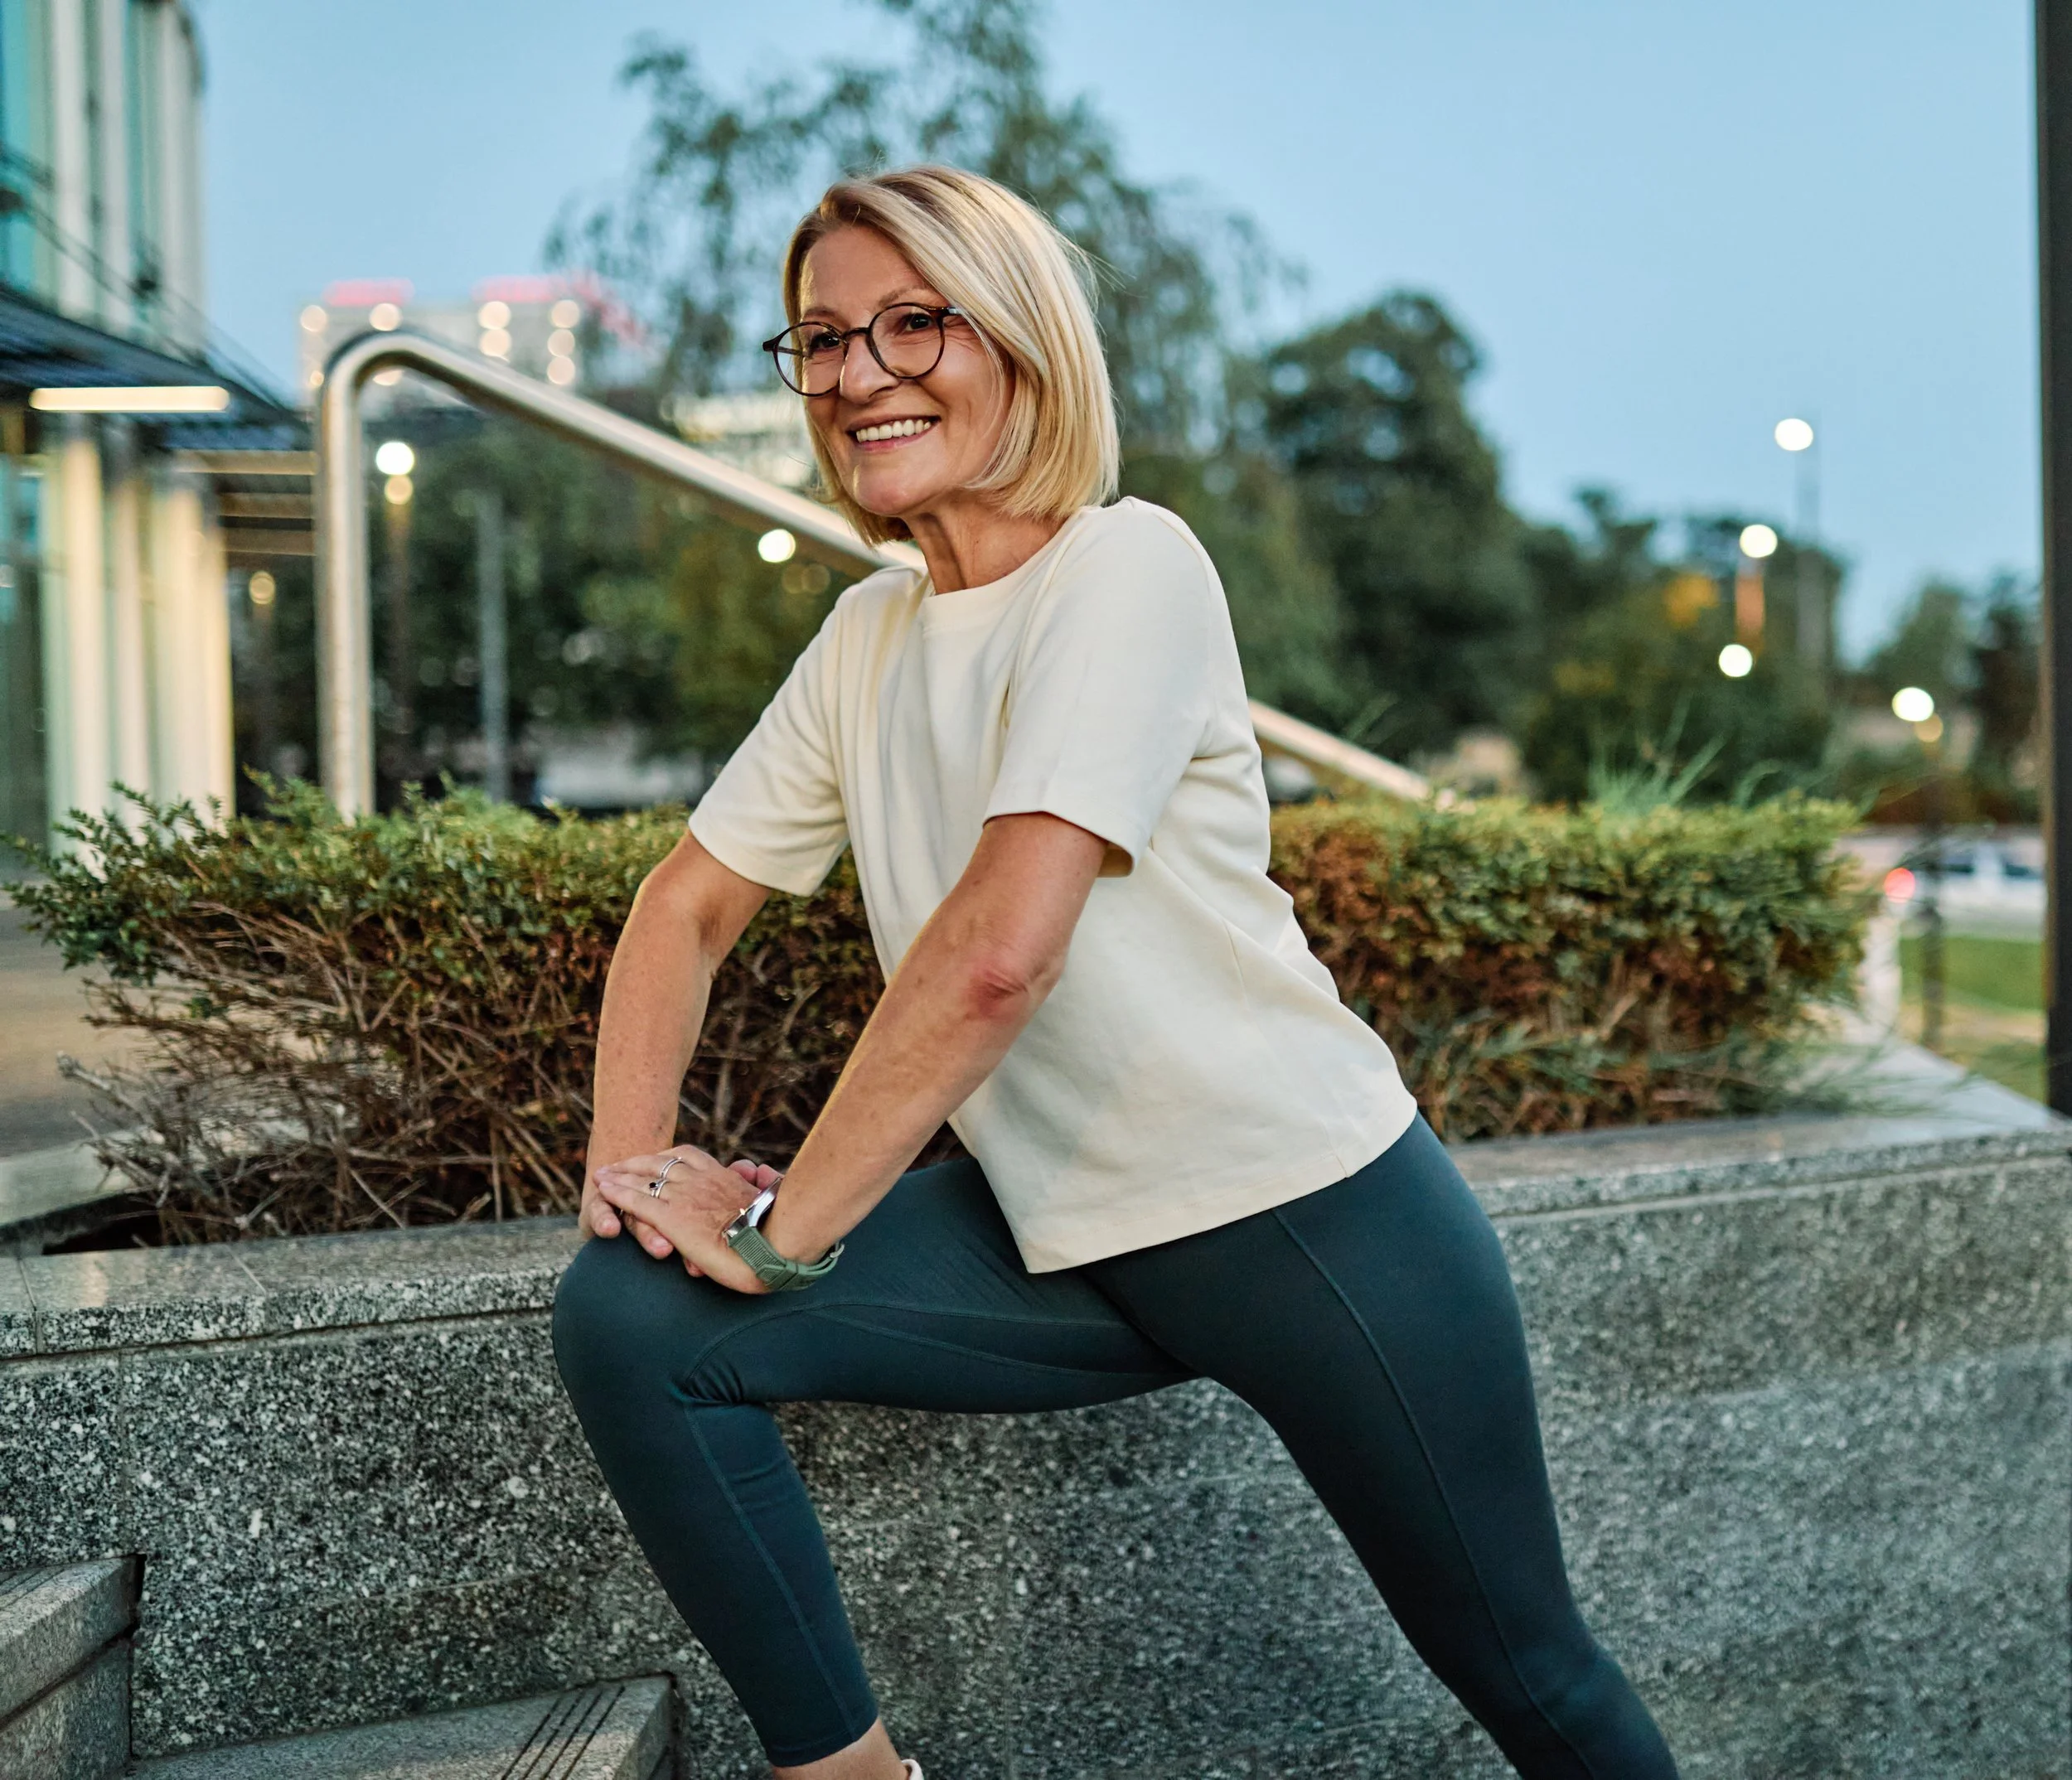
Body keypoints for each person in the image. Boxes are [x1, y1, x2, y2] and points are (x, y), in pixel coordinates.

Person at [550, 164, 1680, 1780]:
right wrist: (627, 1177)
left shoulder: (1126, 567)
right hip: (1059, 1239)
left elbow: (998, 957)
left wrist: (782, 1240)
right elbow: (683, 907)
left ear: (1018, 342)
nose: (860, 372)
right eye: (820, 341)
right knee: (632, 1319)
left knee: (1530, 1675)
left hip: (1311, 1226)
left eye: (911, 322)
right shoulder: (866, 636)